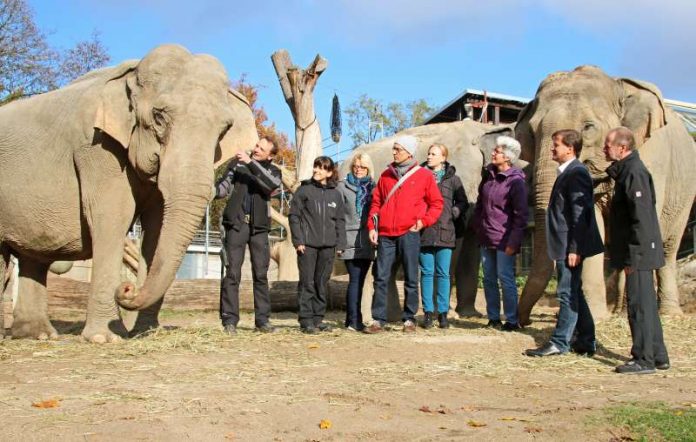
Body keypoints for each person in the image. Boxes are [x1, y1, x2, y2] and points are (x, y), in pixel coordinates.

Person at [525, 129, 603, 357]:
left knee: (567, 293)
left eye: (555, 144)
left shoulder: (576, 173)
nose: (552, 148)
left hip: (569, 245)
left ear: (570, 148)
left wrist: (575, 248)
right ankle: (587, 341)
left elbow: (580, 214)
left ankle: (560, 342)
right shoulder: (568, 172)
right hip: (564, 244)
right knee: (574, 291)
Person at [604, 127, 670, 374]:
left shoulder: (635, 172)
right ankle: (658, 355)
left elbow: (641, 218)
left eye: (608, 144)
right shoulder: (628, 171)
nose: (604, 148)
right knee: (647, 305)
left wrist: (634, 255)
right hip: (639, 251)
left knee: (638, 306)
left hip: (640, 252)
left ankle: (643, 359)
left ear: (622, 148)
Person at [363, 135, 444, 334]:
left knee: (410, 276)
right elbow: (375, 204)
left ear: (409, 152)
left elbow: (436, 204)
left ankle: (409, 319)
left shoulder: (424, 176)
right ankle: (378, 320)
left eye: (397, 149)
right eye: (394, 148)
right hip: (385, 234)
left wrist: (423, 222)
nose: (394, 152)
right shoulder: (385, 176)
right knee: (381, 277)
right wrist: (372, 228)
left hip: (409, 233)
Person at [215, 137, 282, 335]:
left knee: (260, 275)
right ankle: (229, 320)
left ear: (270, 155)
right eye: (256, 146)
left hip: (259, 228)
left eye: (261, 149)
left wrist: (250, 163)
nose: (256, 149)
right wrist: (209, 190)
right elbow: (223, 188)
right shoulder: (237, 163)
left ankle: (262, 321)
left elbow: (270, 185)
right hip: (236, 224)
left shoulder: (273, 171)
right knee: (232, 273)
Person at [473, 136, 528, 331]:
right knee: (488, 278)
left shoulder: (516, 182)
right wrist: (479, 228)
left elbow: (521, 216)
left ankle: (512, 320)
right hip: (486, 237)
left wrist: (514, 241)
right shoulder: (488, 178)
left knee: (505, 278)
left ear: (508, 157)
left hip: (505, 239)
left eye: (497, 151)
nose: (493, 153)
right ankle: (494, 317)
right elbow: (480, 205)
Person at [289, 156, 347, 334]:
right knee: (307, 282)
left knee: (321, 282)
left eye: (321, 168)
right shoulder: (304, 190)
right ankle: (306, 320)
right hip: (307, 246)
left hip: (328, 247)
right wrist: (298, 240)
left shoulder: (336, 194)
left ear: (329, 172)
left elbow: (340, 221)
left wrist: (340, 244)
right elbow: (294, 217)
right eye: (315, 167)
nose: (316, 170)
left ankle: (318, 318)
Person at [419, 143, 468, 329]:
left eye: (434, 154)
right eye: (428, 153)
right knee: (426, 273)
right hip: (424, 231)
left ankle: (443, 313)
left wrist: (453, 213)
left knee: (443, 274)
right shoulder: (420, 177)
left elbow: (463, 202)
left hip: (446, 233)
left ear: (443, 158)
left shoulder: (454, 180)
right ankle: (428, 313)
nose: (429, 156)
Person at [336, 152, 376, 332]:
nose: (358, 170)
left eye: (362, 167)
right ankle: (354, 320)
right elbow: (337, 217)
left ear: (368, 168)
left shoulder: (374, 187)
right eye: (356, 167)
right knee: (355, 279)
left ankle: (351, 318)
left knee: (360, 281)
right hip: (349, 239)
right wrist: (339, 242)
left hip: (367, 240)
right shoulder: (342, 187)